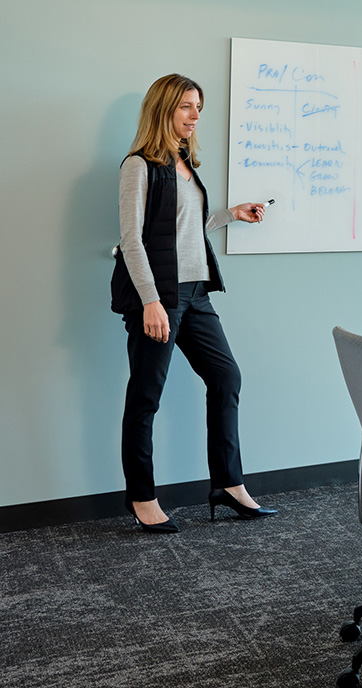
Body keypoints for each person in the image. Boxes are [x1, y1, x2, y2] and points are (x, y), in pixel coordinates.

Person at [110, 73, 276, 533]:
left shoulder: (184, 162)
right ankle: (141, 496)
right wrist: (151, 301)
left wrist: (230, 215)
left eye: (198, 106)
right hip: (158, 296)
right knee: (145, 397)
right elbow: (133, 240)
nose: (196, 115)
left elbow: (183, 228)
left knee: (226, 377)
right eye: (187, 106)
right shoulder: (138, 166)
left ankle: (228, 484)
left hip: (196, 293)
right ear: (164, 109)